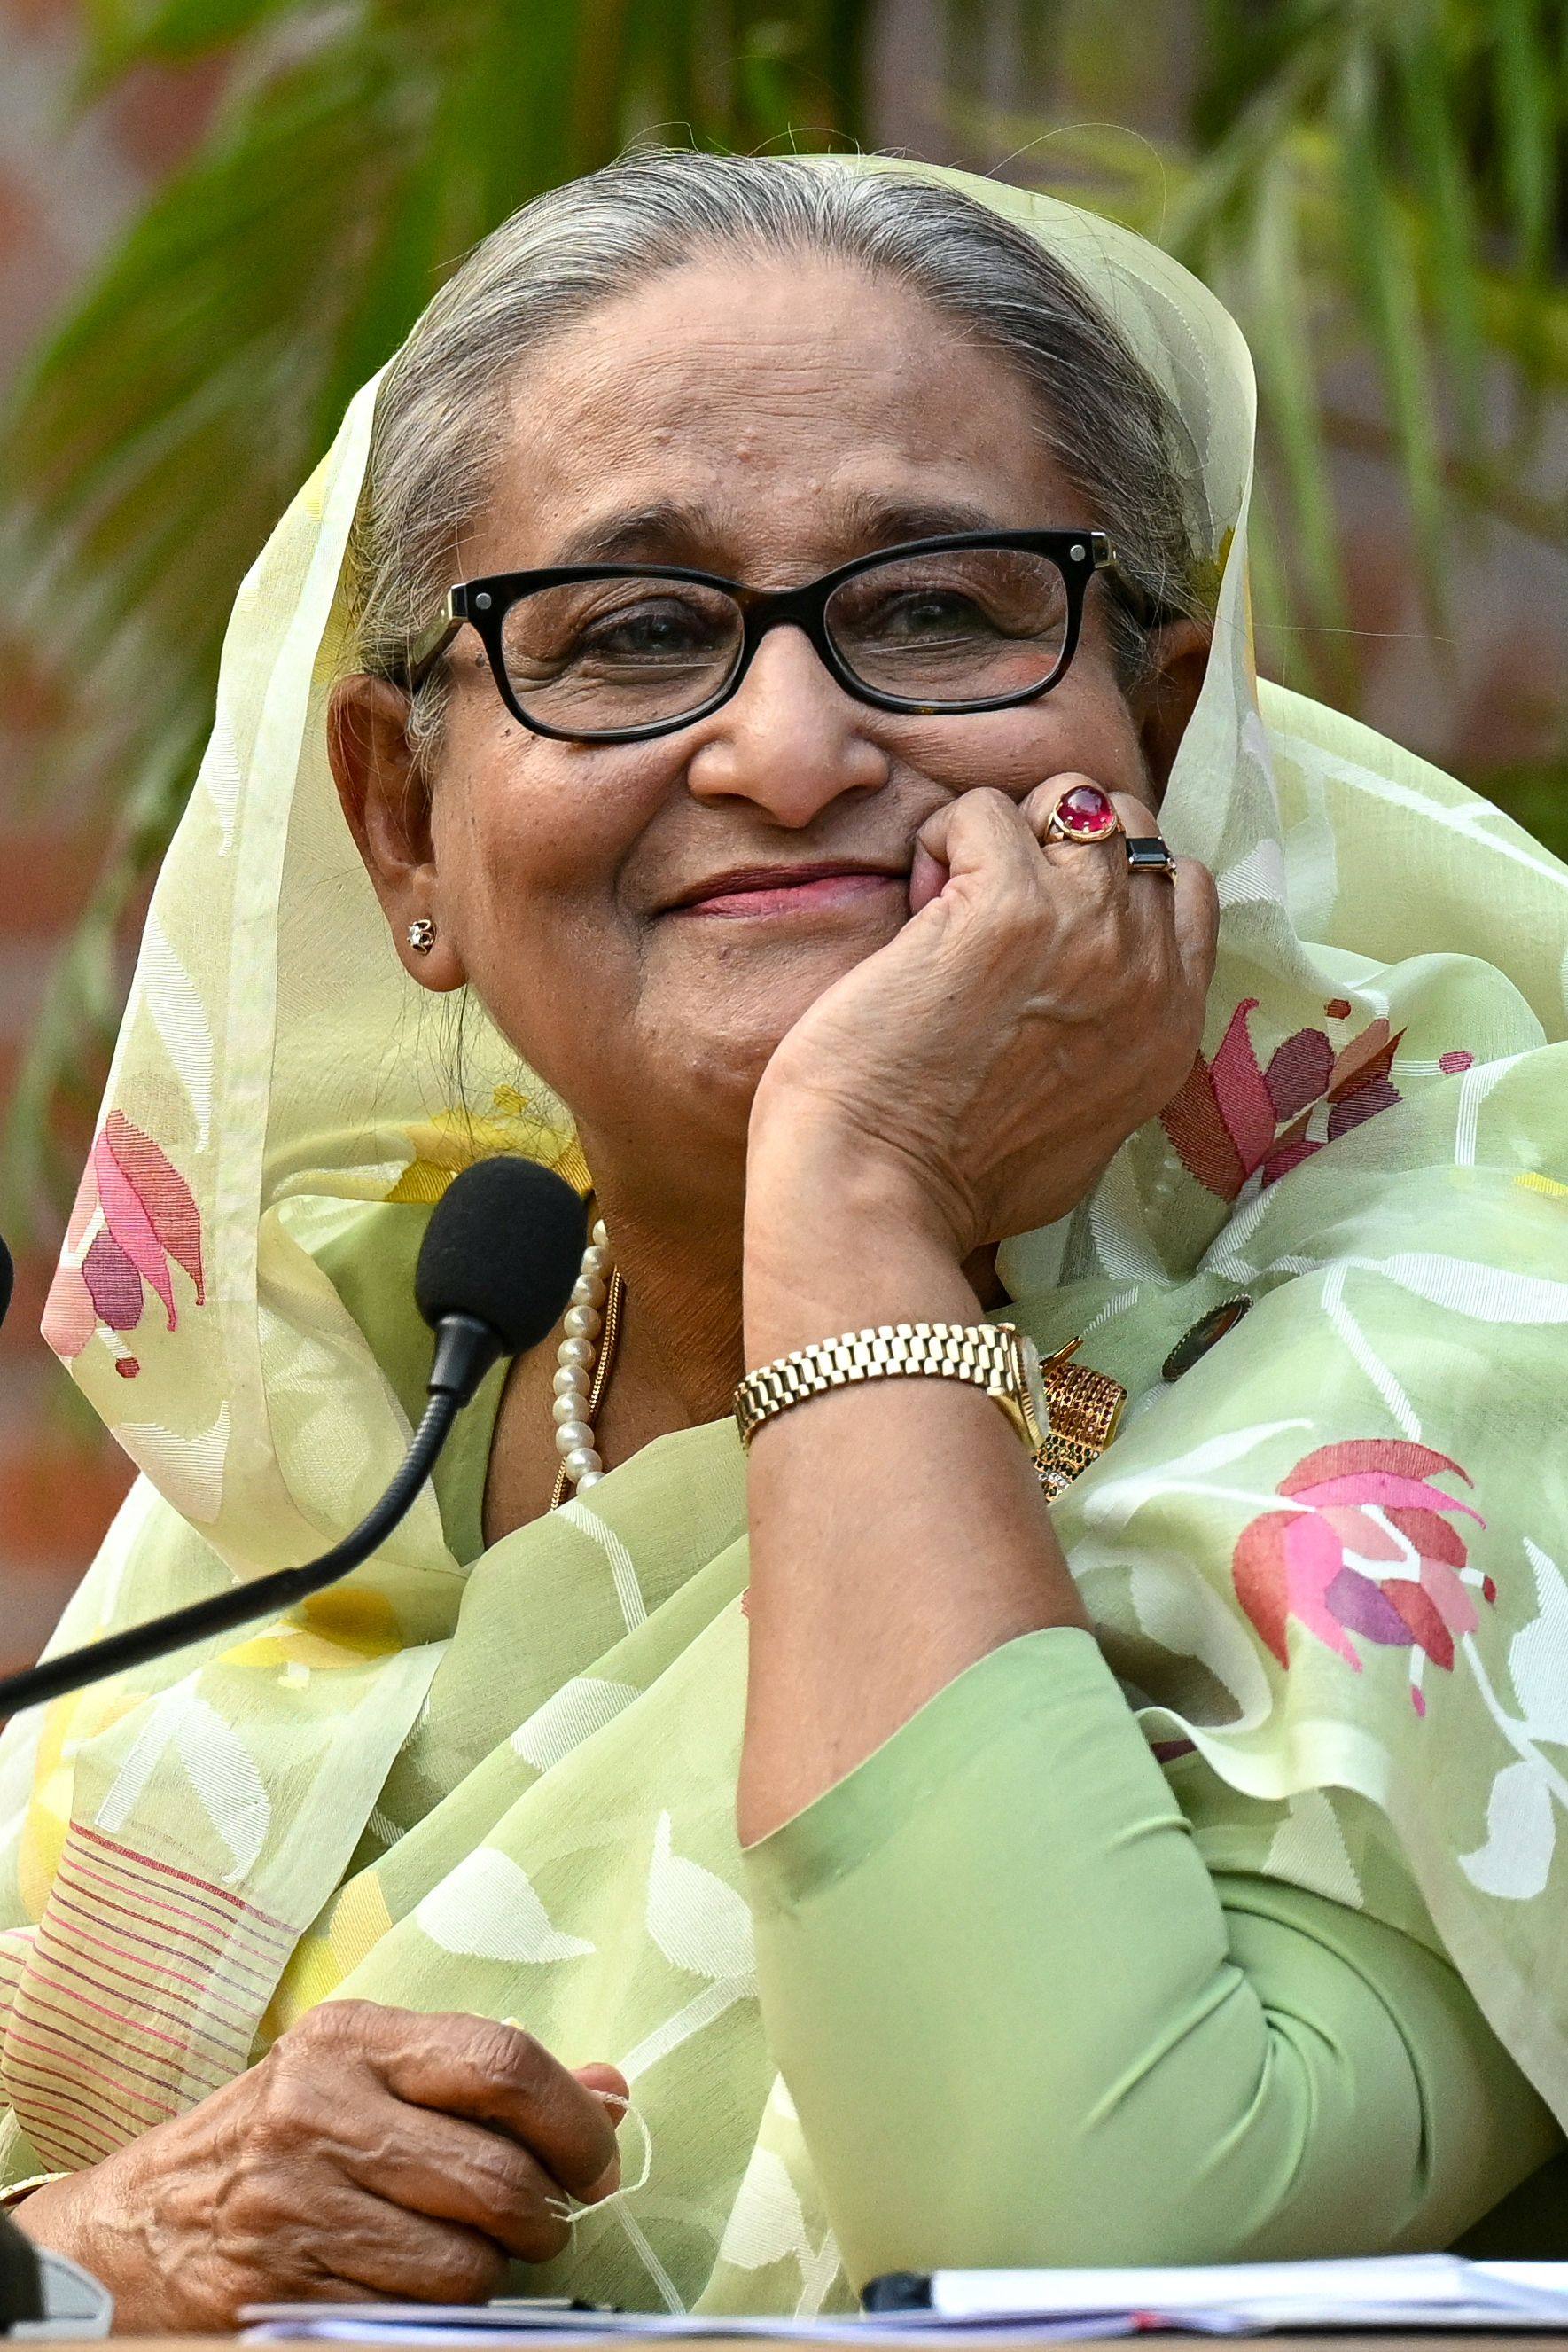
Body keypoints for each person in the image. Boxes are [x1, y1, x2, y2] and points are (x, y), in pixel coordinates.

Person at [3, 152, 1565, 2329]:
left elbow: (1085, 2242)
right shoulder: (340, 1444)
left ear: (1170, 726)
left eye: (935, 607)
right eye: (633, 635)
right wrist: (79, 2254)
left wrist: (856, 1197)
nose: (791, 744)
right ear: (401, 826)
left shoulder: (1469, 1323)